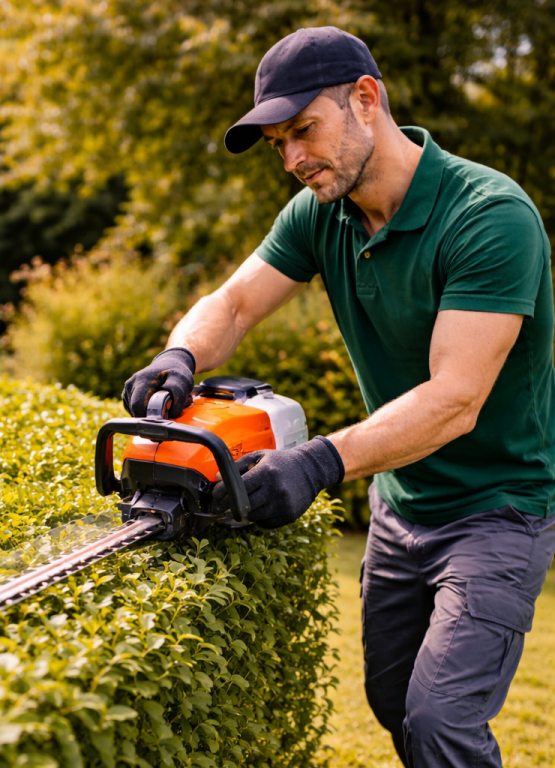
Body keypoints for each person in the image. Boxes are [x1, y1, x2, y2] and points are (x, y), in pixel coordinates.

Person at [120, 25, 555, 768]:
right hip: (402, 506)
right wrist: (181, 352)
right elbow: (233, 303)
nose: (292, 160)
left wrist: (320, 462)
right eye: (277, 144)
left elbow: (456, 398)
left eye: (303, 132)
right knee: (394, 707)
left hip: (498, 509)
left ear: (365, 99)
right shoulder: (324, 212)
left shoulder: (489, 216)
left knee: (441, 718)